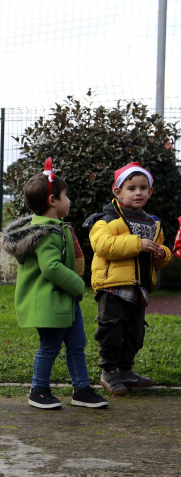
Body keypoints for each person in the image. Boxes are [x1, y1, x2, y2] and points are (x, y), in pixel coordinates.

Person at [2, 158, 108, 409]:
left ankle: (81, 389)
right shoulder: (47, 233)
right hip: (51, 302)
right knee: (50, 347)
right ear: (52, 201)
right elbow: (51, 267)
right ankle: (38, 390)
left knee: (76, 344)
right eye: (65, 195)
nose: (69, 201)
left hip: (65, 303)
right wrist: (76, 284)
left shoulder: (54, 228)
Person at [85, 162, 171, 395]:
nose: (138, 192)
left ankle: (125, 370)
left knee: (134, 332)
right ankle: (109, 372)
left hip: (139, 288)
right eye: (131, 188)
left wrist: (163, 254)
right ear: (118, 192)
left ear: (150, 192)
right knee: (111, 330)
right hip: (113, 287)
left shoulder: (152, 223)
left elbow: (159, 254)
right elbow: (103, 246)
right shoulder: (107, 220)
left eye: (143, 188)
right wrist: (137, 243)